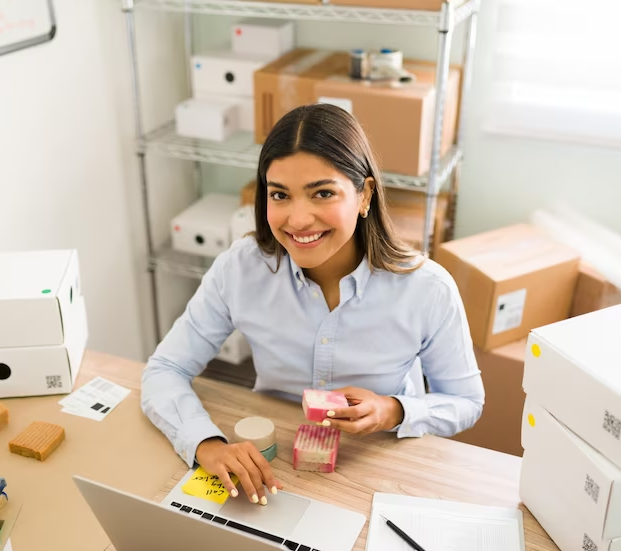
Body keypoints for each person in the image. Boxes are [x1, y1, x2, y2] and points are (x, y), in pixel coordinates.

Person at [141, 103, 484, 506]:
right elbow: (165, 369)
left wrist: (393, 411)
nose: (298, 219)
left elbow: (466, 402)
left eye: (323, 193)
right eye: (280, 195)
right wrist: (206, 443)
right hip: (274, 460)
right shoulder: (241, 268)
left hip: (374, 465)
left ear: (365, 195)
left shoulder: (427, 289)